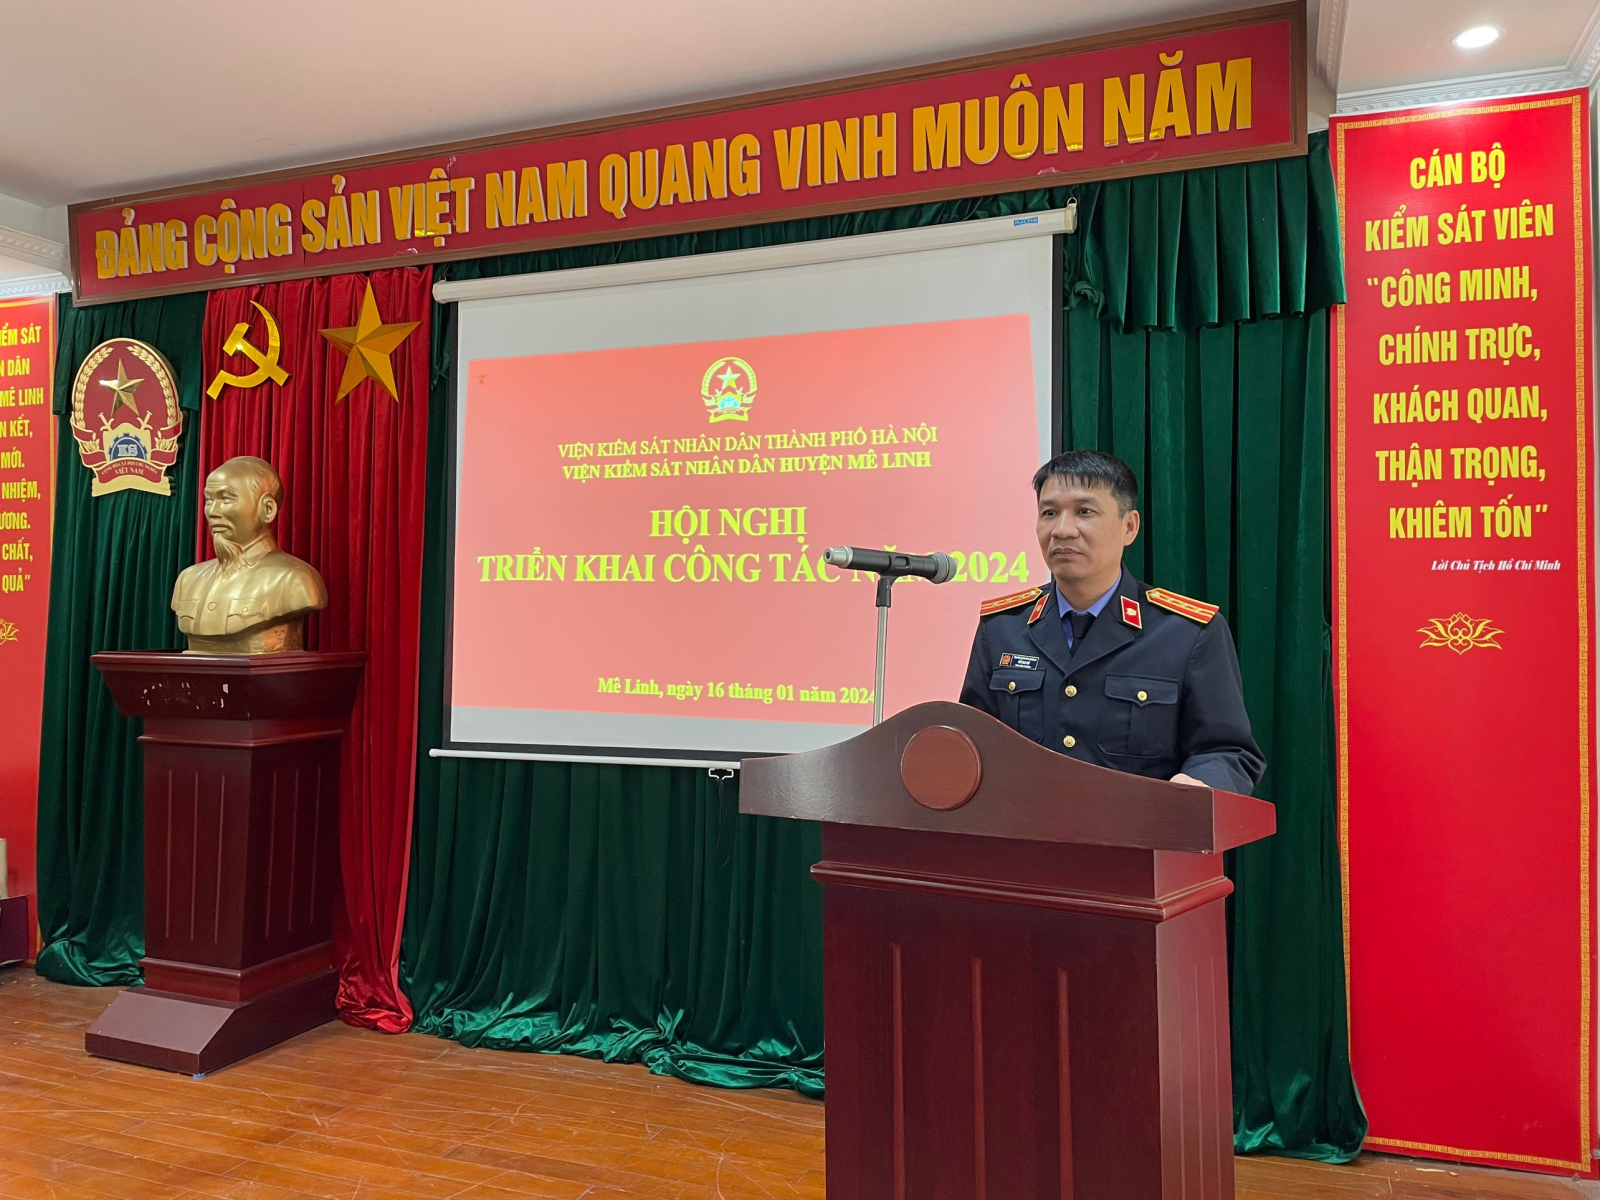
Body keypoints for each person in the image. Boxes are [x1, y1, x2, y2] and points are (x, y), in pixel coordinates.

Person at [959, 450, 1264, 793]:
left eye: (1084, 512)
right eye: (1049, 513)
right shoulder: (1003, 627)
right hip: (1023, 825)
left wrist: (1196, 786)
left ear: (1129, 527)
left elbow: (1227, 751)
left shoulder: (1186, 633)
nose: (1062, 530)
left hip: (1143, 825)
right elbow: (972, 744)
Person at [171, 456, 328, 654]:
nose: (213, 512)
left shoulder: (295, 579)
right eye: (209, 500)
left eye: (226, 499)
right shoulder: (188, 580)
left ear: (267, 509)